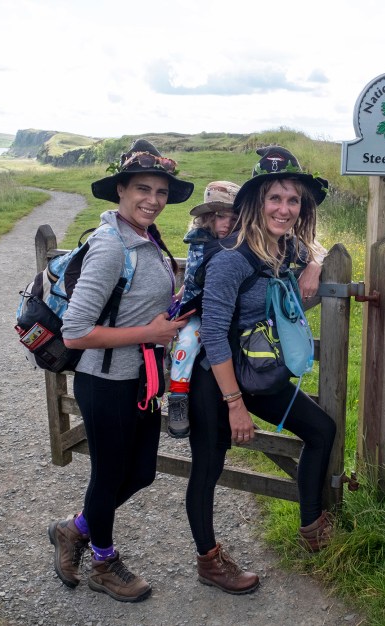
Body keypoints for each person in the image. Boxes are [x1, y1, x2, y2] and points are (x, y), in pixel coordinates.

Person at [47, 139, 194, 603]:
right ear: (121, 191)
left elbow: (137, 304)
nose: (153, 199)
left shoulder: (146, 237)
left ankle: (75, 529)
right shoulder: (111, 245)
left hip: (140, 379)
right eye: (142, 189)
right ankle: (104, 563)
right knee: (109, 476)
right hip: (105, 381)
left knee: (143, 472)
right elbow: (74, 332)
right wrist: (149, 331)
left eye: (161, 192)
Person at [185, 146, 336, 595]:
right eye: (275, 199)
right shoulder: (231, 258)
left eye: (293, 201)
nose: (284, 209)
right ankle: (209, 560)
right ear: (255, 203)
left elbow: (320, 248)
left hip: (260, 372)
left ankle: (312, 528)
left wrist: (315, 262)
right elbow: (213, 337)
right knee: (208, 468)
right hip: (217, 379)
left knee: (321, 430)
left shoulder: (285, 247)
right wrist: (234, 406)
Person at [166, 180, 240, 438]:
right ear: (208, 218)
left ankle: (243, 404)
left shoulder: (243, 244)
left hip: (229, 311)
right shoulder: (200, 243)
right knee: (186, 342)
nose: (226, 224)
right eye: (220, 216)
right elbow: (194, 280)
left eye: (233, 217)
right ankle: (177, 397)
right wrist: (181, 299)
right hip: (199, 310)